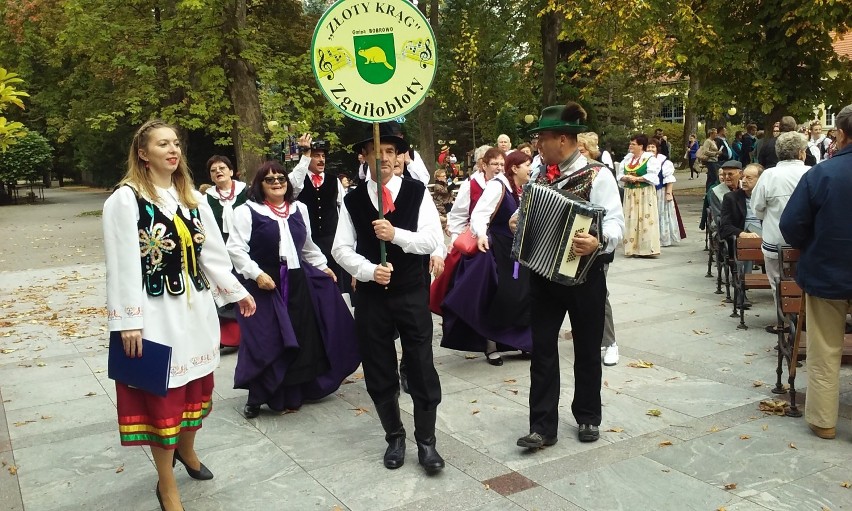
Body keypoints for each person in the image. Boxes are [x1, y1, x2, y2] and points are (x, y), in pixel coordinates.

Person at [103, 120, 256, 511]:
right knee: (163, 396)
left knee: (195, 388)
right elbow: (121, 264)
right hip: (155, 314)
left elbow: (213, 254)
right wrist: (127, 321)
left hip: (196, 310)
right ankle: (166, 484)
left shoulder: (191, 196)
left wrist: (237, 293)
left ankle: (187, 452)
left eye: (175, 143)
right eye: (162, 144)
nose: (173, 150)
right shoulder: (126, 199)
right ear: (143, 153)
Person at [331, 122, 445, 473]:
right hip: (372, 298)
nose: (383, 157)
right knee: (378, 366)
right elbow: (340, 249)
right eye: (376, 151)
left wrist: (396, 235)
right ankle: (394, 436)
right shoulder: (351, 200)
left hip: (411, 292)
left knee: (422, 365)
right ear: (363, 156)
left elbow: (430, 240)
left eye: (390, 152)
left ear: (398, 157)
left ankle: (427, 441)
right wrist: (367, 270)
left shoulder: (416, 191)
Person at [515, 102, 624, 449]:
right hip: (543, 276)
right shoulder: (536, 175)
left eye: (541, 139)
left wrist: (597, 241)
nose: (537, 146)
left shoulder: (598, 175)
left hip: (586, 278)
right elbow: (526, 214)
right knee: (543, 349)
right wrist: (516, 222)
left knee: (588, 349)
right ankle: (542, 426)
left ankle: (588, 416)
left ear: (562, 139)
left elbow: (617, 225)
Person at [226, 161, 360, 418]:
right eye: (270, 179)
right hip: (265, 282)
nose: (277, 183)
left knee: (302, 336)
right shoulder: (247, 211)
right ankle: (259, 395)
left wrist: (323, 266)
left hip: (298, 280)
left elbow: (307, 245)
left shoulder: (299, 209)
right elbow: (236, 249)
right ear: (260, 184)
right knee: (267, 339)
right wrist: (257, 274)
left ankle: (300, 388)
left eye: (281, 179)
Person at [779, 103, 852, 441]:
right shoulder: (820, 172)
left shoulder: (821, 174)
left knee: (824, 347)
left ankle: (824, 420)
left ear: (841, 133)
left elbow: (791, 225)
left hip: (826, 271)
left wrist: (815, 243)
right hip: (827, 268)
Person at [437, 149, 532, 366]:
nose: (531, 170)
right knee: (499, 296)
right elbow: (479, 214)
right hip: (497, 248)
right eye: (527, 165)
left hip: (517, 251)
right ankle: (491, 345)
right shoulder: (498, 186)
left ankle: (522, 342)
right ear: (515, 168)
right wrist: (480, 234)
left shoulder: (523, 188)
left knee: (522, 295)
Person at [751, 132, 809, 334]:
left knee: (778, 282)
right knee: (806, 280)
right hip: (807, 241)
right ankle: (806, 319)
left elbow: (757, 207)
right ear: (801, 153)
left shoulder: (769, 175)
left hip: (776, 240)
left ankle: (783, 321)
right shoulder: (812, 172)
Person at [287, 134, 350, 295]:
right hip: (308, 240)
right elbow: (292, 188)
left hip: (331, 240)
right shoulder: (299, 180)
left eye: (323, 156)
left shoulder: (333, 180)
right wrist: (305, 156)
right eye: (316, 156)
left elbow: (344, 209)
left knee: (337, 280)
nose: (321, 160)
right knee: (313, 283)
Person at [577, 132, 620, 366]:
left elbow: (613, 218)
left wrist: (599, 238)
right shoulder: (563, 172)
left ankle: (610, 343)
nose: (579, 154)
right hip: (575, 247)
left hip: (598, 247)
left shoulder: (601, 173)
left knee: (601, 295)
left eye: (582, 150)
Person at [204, 155, 249, 350]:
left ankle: (251, 332)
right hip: (220, 251)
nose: (218, 172)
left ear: (231, 171)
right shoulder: (206, 199)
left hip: (247, 248)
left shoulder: (245, 192)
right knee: (225, 291)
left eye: (222, 168)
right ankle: (230, 337)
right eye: (213, 171)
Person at [617, 134, 661, 257]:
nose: (630, 146)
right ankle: (632, 248)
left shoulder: (649, 159)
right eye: (630, 143)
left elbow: (653, 176)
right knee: (631, 218)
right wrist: (626, 177)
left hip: (644, 192)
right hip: (630, 193)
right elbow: (619, 174)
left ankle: (646, 249)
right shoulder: (627, 159)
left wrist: (638, 178)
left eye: (633, 144)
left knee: (645, 218)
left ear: (641, 146)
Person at [648, 137, 681, 247]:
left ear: (657, 149)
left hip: (660, 192)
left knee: (661, 214)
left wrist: (668, 193)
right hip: (647, 193)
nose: (650, 149)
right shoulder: (642, 161)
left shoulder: (664, 162)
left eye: (653, 147)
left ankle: (663, 238)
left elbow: (669, 179)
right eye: (648, 147)